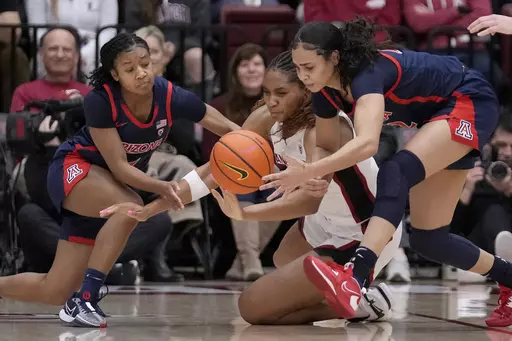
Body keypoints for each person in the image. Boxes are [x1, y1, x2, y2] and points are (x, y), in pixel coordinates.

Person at [101, 50, 402, 325]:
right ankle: (346, 295)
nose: (271, 101)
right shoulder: (266, 117)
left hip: (363, 231)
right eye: (267, 92)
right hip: (324, 221)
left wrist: (246, 213)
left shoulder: (325, 130)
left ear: (307, 91)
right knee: (282, 260)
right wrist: (151, 208)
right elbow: (213, 171)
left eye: (281, 93)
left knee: (253, 309)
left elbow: (308, 202)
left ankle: (364, 302)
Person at [258, 19, 512, 327]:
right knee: (429, 240)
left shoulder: (367, 73)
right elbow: (325, 146)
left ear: (334, 58)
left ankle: (356, 275)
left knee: (395, 171)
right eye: (297, 68)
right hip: (436, 118)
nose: (303, 75)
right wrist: (310, 177)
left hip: (467, 99)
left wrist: (310, 169)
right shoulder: (324, 92)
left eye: (309, 66)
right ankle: (508, 277)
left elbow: (366, 143)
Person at [0, 32, 239, 328]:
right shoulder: (100, 101)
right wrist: (162, 187)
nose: (141, 73)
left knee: (54, 289)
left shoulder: (169, 95)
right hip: (73, 169)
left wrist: (247, 140)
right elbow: (121, 167)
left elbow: (226, 126)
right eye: (130, 68)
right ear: (115, 74)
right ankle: (85, 299)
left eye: (145, 64)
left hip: (107, 189)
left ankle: (61, 294)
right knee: (131, 205)